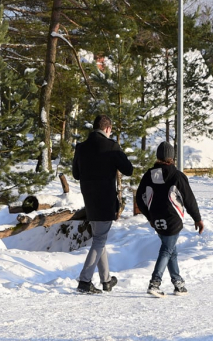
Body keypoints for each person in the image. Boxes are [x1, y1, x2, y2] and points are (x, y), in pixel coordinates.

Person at [71, 114, 135, 293]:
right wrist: (117, 153)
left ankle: (106, 280)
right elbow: (128, 170)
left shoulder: (81, 147)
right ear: (107, 129)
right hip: (105, 200)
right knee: (99, 240)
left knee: (100, 239)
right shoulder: (111, 146)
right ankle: (84, 281)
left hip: (89, 200)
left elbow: (76, 174)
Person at [135, 142, 204, 297]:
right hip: (173, 219)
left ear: (158, 157)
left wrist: (150, 216)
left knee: (170, 249)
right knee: (167, 249)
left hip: (157, 219)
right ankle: (155, 283)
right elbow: (189, 199)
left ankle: (178, 283)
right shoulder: (177, 176)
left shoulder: (148, 175)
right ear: (172, 158)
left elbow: (140, 199)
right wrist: (197, 219)